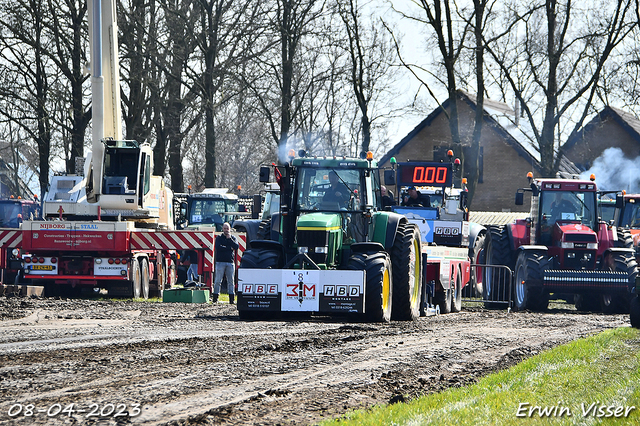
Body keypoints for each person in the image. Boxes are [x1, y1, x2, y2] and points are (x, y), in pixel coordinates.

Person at [213, 222, 239, 304]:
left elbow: (236, 247)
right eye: (224, 228)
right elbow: (218, 247)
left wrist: (229, 239)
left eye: (227, 228)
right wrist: (228, 248)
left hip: (230, 263)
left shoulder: (233, 238)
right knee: (218, 281)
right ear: (222, 229)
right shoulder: (219, 237)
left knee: (231, 281)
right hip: (220, 262)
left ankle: (231, 299)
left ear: (230, 229)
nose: (226, 230)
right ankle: (215, 298)